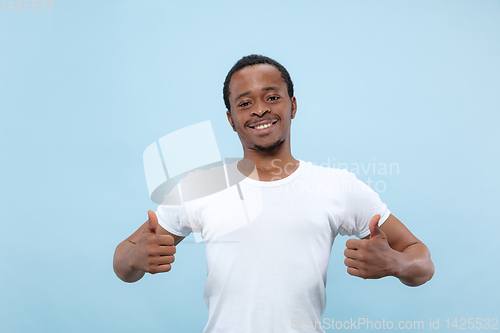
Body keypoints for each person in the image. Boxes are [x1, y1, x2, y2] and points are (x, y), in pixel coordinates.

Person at [113, 55, 435, 332]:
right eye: (244, 103)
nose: (259, 111)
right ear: (231, 119)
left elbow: (422, 261)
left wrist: (396, 263)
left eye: (271, 97)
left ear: (292, 105)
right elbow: (122, 261)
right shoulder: (202, 186)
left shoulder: (336, 186)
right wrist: (134, 257)